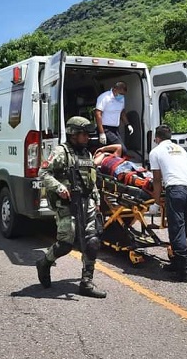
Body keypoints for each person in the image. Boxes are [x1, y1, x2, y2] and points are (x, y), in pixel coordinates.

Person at [36, 116, 107, 298]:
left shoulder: (87, 154)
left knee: (92, 242)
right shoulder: (61, 152)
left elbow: (91, 180)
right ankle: (44, 263)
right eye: (84, 134)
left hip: (88, 203)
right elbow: (43, 173)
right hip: (67, 204)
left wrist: (97, 200)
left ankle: (86, 283)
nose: (87, 137)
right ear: (73, 134)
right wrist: (59, 188)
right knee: (66, 244)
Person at [149, 124, 187, 283]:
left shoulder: (156, 152)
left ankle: (184, 272)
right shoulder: (180, 150)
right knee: (183, 229)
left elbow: (156, 180)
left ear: (157, 138)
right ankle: (176, 263)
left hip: (175, 191)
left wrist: (155, 202)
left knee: (177, 231)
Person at [94, 82, 133, 152]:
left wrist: (128, 124)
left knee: (117, 149)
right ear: (115, 90)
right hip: (105, 128)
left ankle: (109, 159)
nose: (121, 96)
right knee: (122, 149)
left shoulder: (121, 99)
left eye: (123, 94)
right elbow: (98, 114)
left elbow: (122, 112)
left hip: (115, 129)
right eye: (120, 94)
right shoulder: (104, 97)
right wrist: (101, 132)